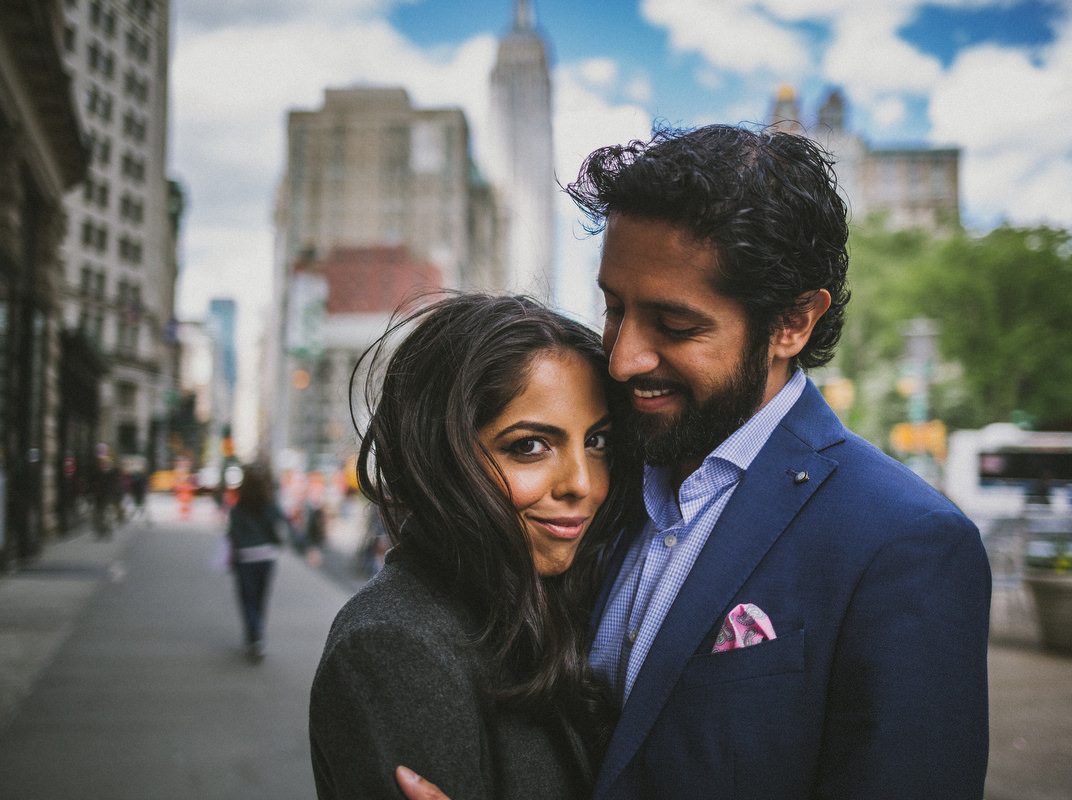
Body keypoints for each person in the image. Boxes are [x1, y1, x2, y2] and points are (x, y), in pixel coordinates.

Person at [396, 125, 991, 800]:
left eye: (675, 327)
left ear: (792, 323)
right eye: (614, 309)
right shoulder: (600, 477)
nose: (623, 359)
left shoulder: (903, 543)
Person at [309, 295, 637, 799]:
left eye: (597, 443)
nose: (583, 484)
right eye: (530, 446)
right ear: (440, 456)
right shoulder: (397, 648)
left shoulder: (557, 601)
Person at [226, 463, 292, 661]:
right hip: (266, 557)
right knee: (261, 598)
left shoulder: (238, 508)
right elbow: (282, 525)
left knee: (248, 600)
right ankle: (257, 637)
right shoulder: (270, 505)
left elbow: (233, 534)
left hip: (245, 557)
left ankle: (254, 637)